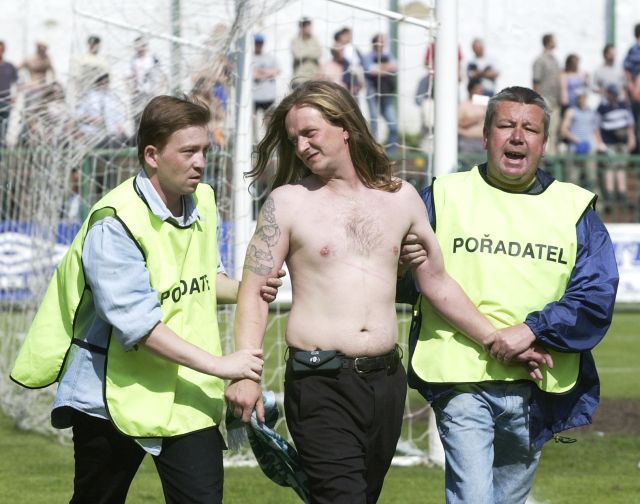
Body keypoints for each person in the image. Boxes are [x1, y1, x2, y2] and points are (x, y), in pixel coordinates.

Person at [224, 80, 548, 504]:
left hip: (386, 385)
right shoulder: (286, 202)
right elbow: (252, 292)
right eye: (293, 138)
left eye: (310, 133)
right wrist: (245, 374)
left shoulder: (402, 198)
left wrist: (496, 340)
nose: (301, 146)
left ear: (345, 127)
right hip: (318, 381)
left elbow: (437, 283)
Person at [11, 94, 285, 504]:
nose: (200, 162)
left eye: (205, 151)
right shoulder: (114, 221)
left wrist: (248, 285)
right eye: (189, 151)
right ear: (152, 155)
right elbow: (140, 327)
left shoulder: (204, 200)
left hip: (188, 390)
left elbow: (203, 278)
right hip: (113, 395)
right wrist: (223, 365)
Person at [400, 86, 618, 504]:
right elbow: (405, 281)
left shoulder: (574, 209)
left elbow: (594, 297)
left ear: (544, 143)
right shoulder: (443, 196)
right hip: (460, 378)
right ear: (485, 137)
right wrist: (399, 263)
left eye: (529, 129)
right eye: (505, 125)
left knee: (509, 499)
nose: (517, 136)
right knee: (474, 497)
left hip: (534, 384)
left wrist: (531, 330)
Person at [596, 83, 636, 216]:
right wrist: (600, 143)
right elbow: (596, 126)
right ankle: (609, 199)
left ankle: (622, 197)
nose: (614, 96)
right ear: (608, 93)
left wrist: (631, 138)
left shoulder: (623, 104)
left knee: (621, 169)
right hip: (609, 143)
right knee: (610, 169)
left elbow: (630, 123)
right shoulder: (602, 107)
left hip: (622, 143)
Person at [362, 33, 398, 154]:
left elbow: (395, 67)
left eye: (384, 41)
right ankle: (374, 151)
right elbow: (370, 70)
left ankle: (391, 153)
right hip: (372, 92)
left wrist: (379, 68)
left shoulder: (388, 55)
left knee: (393, 124)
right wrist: (384, 68)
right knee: (374, 121)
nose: (383, 44)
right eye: (381, 41)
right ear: (375, 43)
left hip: (386, 92)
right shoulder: (368, 56)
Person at [532, 33, 562, 154]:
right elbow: (536, 81)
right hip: (545, 100)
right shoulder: (540, 60)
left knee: (553, 131)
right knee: (545, 131)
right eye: (554, 40)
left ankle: (552, 156)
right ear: (548, 42)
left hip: (555, 101)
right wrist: (537, 100)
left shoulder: (555, 60)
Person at [252, 33, 280, 143]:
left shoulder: (270, 57)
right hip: (254, 97)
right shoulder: (250, 57)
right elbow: (252, 74)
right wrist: (267, 73)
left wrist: (262, 73)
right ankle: (254, 143)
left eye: (260, 42)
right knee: (252, 122)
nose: (258, 44)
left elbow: (278, 70)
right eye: (256, 42)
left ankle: (270, 143)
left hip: (268, 96)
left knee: (269, 122)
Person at [70, 34, 110, 102]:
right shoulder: (81, 59)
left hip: (99, 93)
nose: (92, 46)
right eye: (90, 44)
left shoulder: (103, 61)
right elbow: (76, 77)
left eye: (95, 44)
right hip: (84, 92)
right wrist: (77, 93)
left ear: (99, 45)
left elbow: (107, 78)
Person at [458, 76, 487, 155]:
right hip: (467, 142)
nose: (481, 91)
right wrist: (475, 119)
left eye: (481, 89)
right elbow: (459, 124)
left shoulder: (485, 103)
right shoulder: (463, 105)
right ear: (471, 90)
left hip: (483, 142)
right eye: (478, 89)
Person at [290, 17, 322, 88]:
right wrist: (312, 51)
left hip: (313, 78)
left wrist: (304, 51)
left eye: (309, 26)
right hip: (299, 79)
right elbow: (298, 55)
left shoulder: (315, 39)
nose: (309, 28)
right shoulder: (295, 40)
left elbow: (319, 53)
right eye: (306, 26)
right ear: (302, 28)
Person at [624, 23, 640, 153]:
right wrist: (630, 84)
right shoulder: (633, 50)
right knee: (637, 123)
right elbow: (627, 69)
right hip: (637, 92)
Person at [0, 40, 18, 148]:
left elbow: (16, 83)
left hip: (6, 101)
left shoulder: (10, 66)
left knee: (4, 128)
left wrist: (14, 96)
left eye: (1, 50)